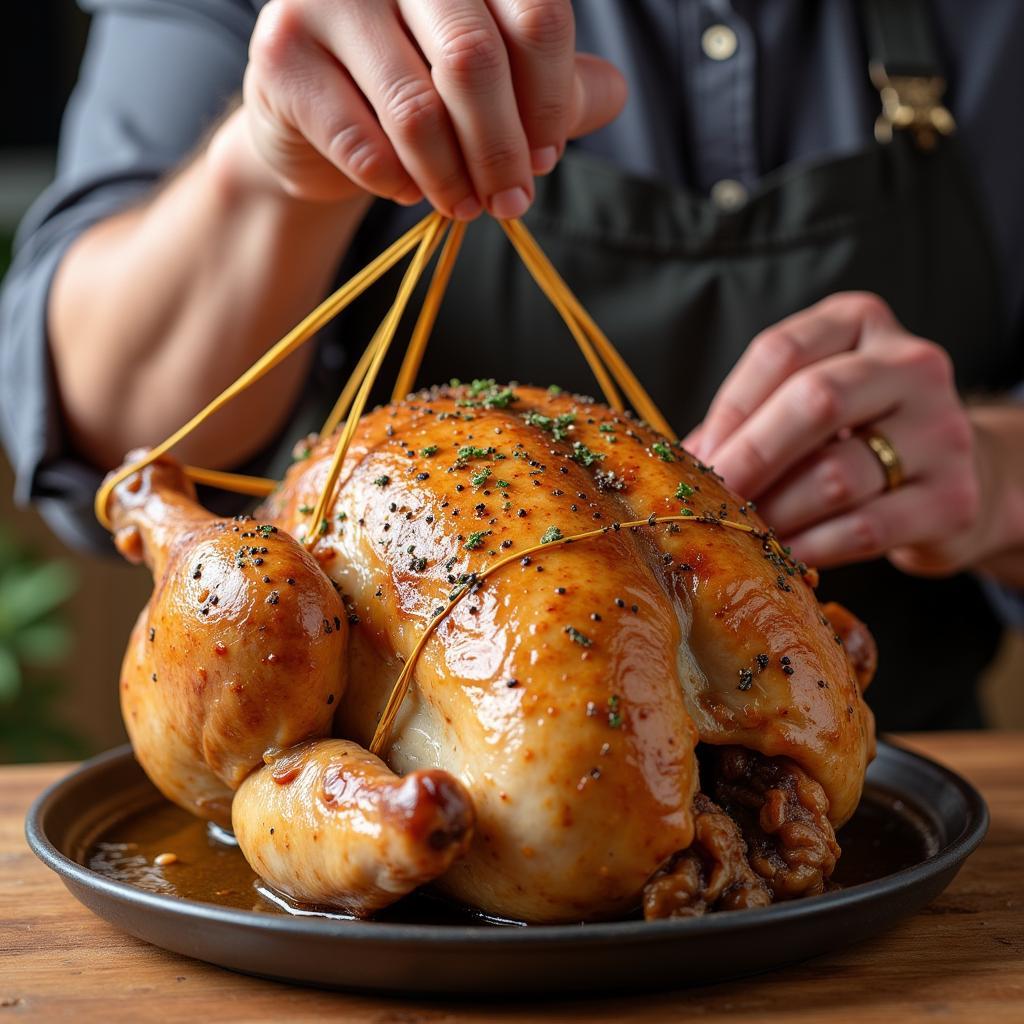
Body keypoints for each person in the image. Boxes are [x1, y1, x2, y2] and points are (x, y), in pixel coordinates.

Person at [2, 0, 1023, 730]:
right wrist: (266, 174)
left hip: (882, 812)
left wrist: (995, 473)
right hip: (399, 804)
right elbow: (105, 428)